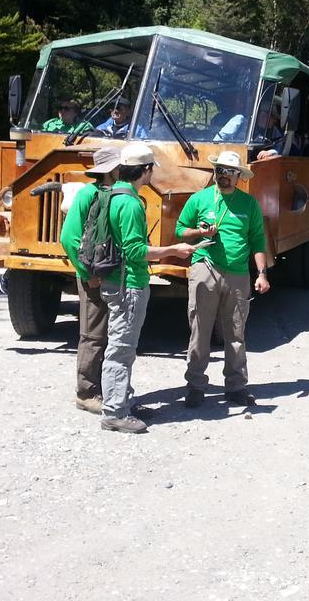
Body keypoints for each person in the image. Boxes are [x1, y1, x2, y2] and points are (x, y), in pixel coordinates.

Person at [99, 143, 196, 433]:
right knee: (121, 348)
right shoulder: (129, 203)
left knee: (122, 345)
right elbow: (135, 250)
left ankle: (122, 401)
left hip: (117, 281)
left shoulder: (113, 195)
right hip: (128, 284)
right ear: (146, 170)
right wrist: (173, 250)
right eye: (151, 168)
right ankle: (115, 411)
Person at [176, 150, 271, 408]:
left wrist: (261, 273)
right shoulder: (200, 199)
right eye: (219, 171)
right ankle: (195, 385)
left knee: (236, 332)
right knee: (200, 330)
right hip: (205, 268)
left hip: (239, 273)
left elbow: (258, 241)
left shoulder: (249, 204)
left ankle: (236, 386)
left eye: (229, 172)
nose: (223, 176)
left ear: (239, 176)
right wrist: (199, 231)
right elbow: (180, 230)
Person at [58, 146, 120, 415]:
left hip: (111, 274)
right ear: (112, 170)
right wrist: (88, 275)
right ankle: (86, 392)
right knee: (93, 335)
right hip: (94, 277)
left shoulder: (113, 193)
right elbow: (68, 238)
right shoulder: (87, 194)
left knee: (109, 335)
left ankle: (104, 388)